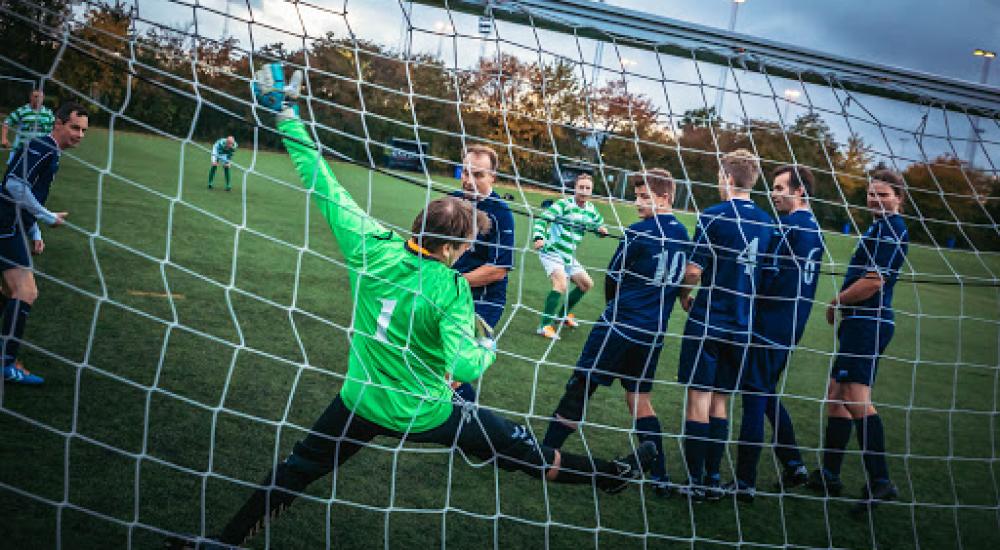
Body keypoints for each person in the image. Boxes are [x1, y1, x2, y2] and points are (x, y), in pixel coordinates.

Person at [164, 63, 656, 549]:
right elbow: (464, 364)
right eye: (466, 244)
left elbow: (322, 181)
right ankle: (609, 475)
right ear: (451, 248)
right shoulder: (451, 288)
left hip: (360, 399)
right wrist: (487, 347)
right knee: (521, 449)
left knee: (298, 468)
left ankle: (222, 542)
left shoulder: (371, 245)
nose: (467, 250)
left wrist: (287, 116)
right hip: (424, 412)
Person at [541, 169, 690, 496]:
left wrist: (614, 310)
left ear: (665, 198)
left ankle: (542, 454)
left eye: (644, 197)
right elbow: (685, 277)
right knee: (639, 398)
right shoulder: (683, 234)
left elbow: (613, 277)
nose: (637, 203)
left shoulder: (637, 232)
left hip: (620, 326)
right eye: (636, 196)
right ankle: (660, 476)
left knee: (580, 386)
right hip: (653, 333)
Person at [675, 149, 776, 501]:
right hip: (742, 326)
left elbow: (693, 271)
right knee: (721, 402)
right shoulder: (768, 223)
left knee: (698, 400)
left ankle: (695, 481)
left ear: (728, 179)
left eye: (720, 177)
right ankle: (714, 478)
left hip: (709, 320)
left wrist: (683, 294)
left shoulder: (713, 215)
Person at [808, 169, 908, 512]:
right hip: (859, 323)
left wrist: (837, 300)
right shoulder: (878, 227)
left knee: (855, 397)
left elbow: (874, 282)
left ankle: (881, 480)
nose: (875, 199)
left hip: (869, 323)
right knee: (836, 393)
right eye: (871, 193)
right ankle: (829, 475)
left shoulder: (892, 228)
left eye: (883, 194)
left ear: (899, 198)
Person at [725, 164, 824, 501]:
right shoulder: (814, 228)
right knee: (766, 392)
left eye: (781, 188)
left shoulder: (787, 227)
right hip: (792, 326)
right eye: (773, 186)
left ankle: (745, 482)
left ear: (800, 191)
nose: (774, 193)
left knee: (754, 398)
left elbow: (765, 277)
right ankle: (793, 464)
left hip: (769, 325)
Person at [0, 102, 89, 385]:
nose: (79, 135)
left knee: (8, 290)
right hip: (5, 225)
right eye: (74, 127)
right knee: (26, 291)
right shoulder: (43, 147)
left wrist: (35, 231)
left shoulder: (49, 150)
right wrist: (47, 217)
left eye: (84, 130)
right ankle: (6, 364)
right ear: (58, 123)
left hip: (11, 224)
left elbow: (24, 192)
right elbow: (14, 186)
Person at [449, 143, 515, 401]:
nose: (469, 180)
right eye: (466, 172)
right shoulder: (451, 202)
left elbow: (498, 270)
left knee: (456, 368)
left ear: (492, 177)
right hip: (450, 293)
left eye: (478, 175)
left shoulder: (501, 214)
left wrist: (453, 280)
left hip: (483, 301)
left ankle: (467, 416)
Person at [532, 173, 608, 339]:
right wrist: (538, 237)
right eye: (581, 187)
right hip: (551, 251)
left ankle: (562, 315)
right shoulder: (563, 204)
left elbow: (598, 226)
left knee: (586, 284)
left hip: (567, 255)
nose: (584, 191)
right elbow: (543, 219)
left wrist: (601, 231)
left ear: (591, 191)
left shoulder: (591, 210)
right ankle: (544, 326)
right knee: (561, 283)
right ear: (575, 188)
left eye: (587, 188)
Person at [2, 89, 55, 163]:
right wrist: (4, 139)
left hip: (40, 151)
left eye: (41, 97)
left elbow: (53, 130)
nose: (38, 99)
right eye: (36, 96)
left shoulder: (48, 113)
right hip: (21, 150)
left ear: (43, 98)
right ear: (31, 97)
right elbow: (7, 122)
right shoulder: (22, 110)